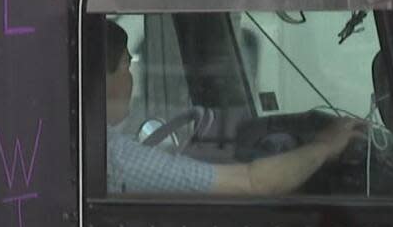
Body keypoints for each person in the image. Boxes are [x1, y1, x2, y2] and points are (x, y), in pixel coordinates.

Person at [104, 20, 363, 196]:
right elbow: (252, 182)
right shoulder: (116, 157)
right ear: (100, 79)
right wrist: (324, 147)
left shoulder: (105, 147)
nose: (131, 76)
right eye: (127, 65)